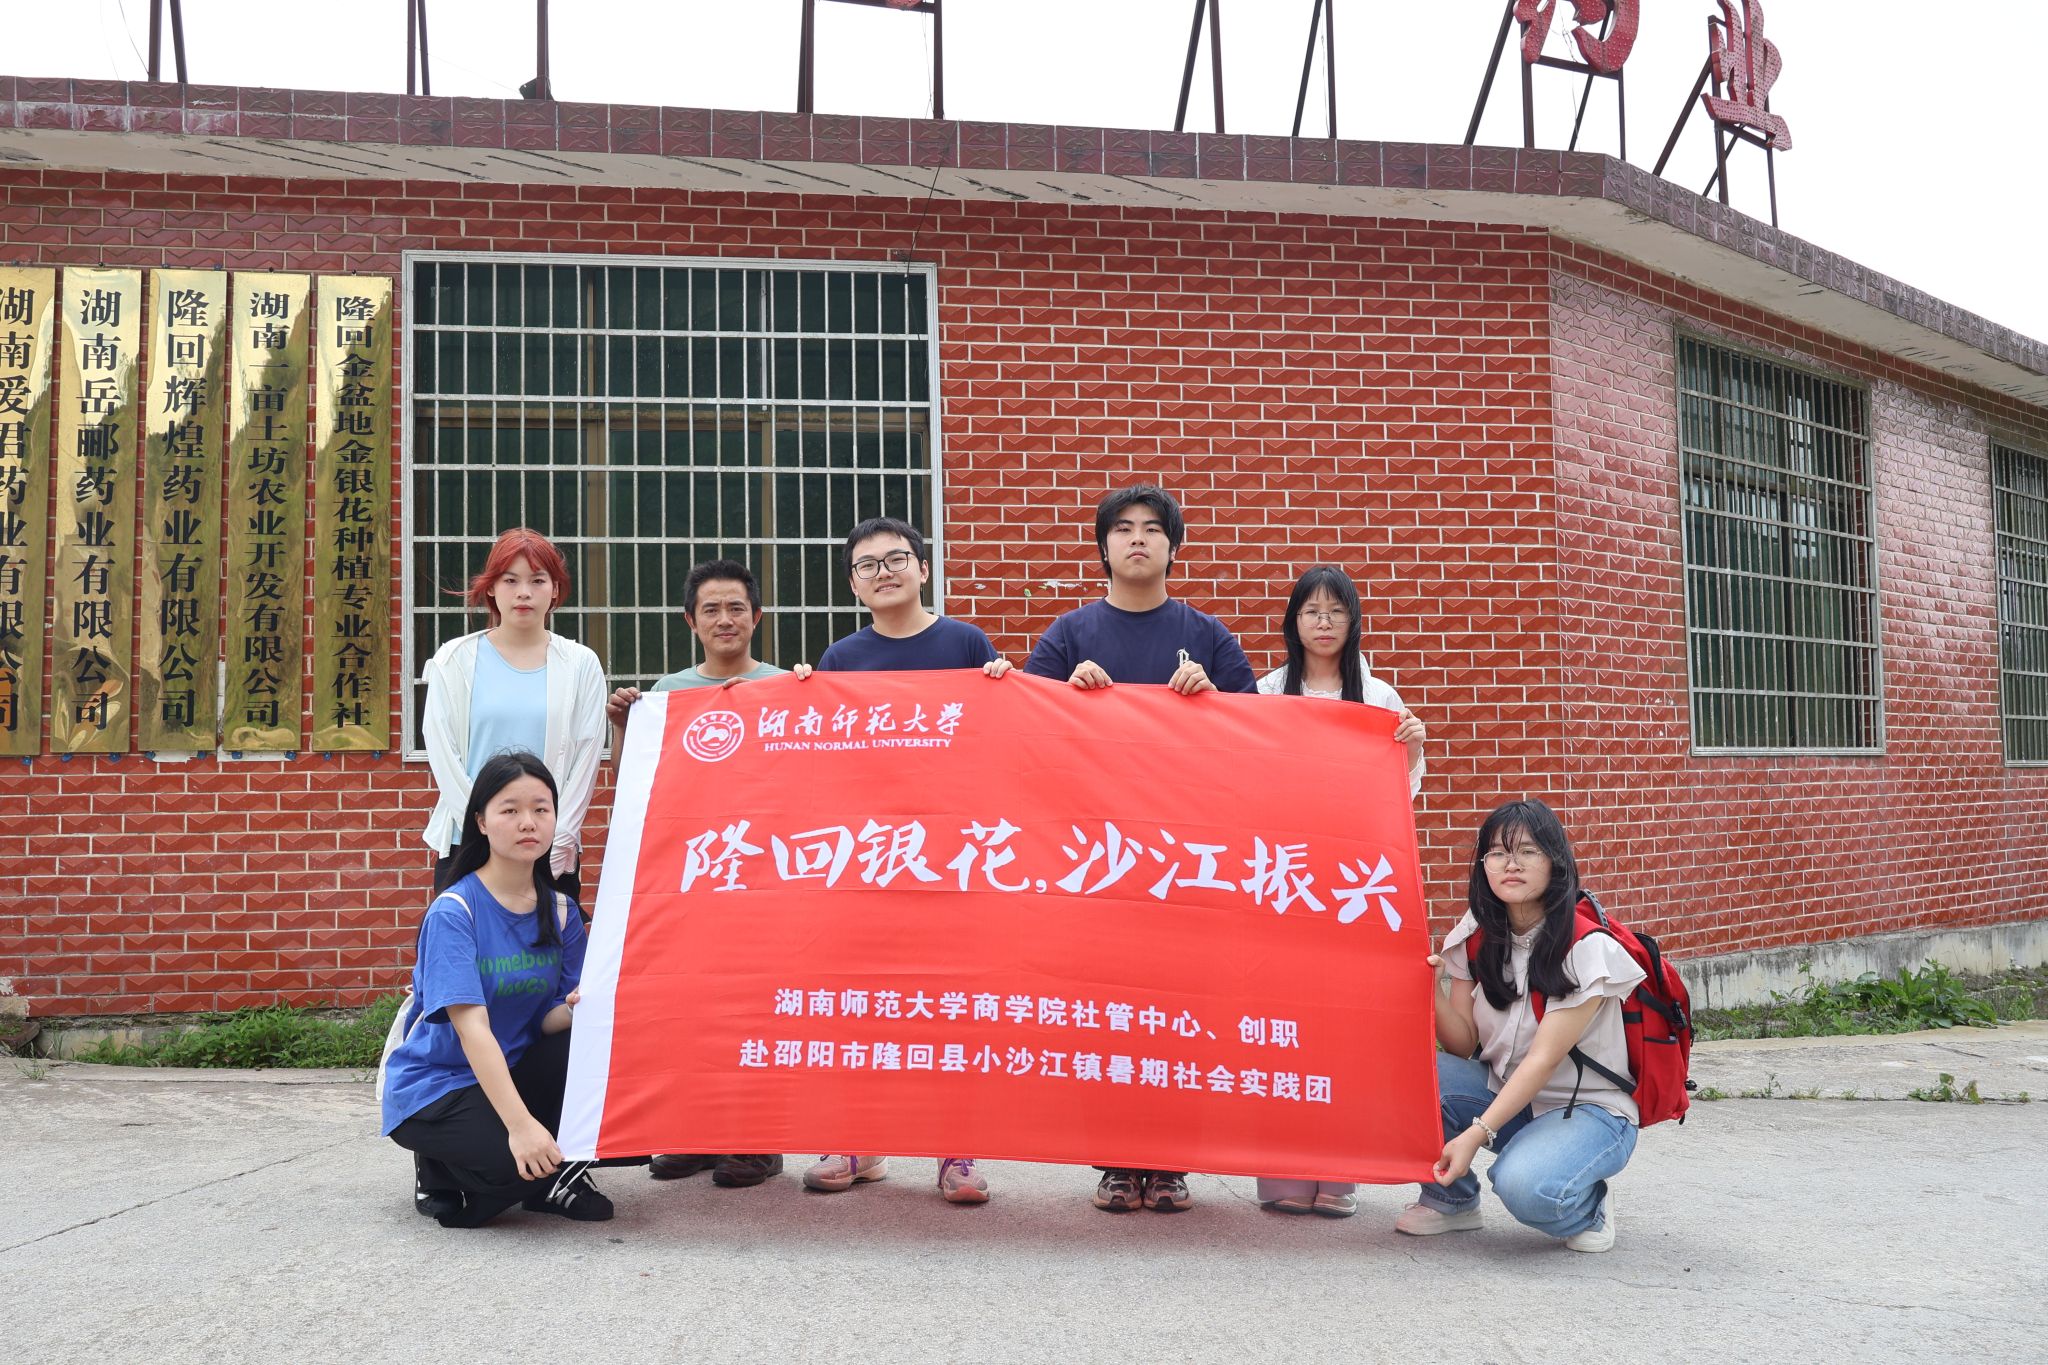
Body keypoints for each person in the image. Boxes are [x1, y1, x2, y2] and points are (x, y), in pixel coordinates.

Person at [1022, 481, 1255, 1214]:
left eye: (1152, 528)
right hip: (1097, 860)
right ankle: (1117, 1162)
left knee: (1179, 1012)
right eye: (1122, 528)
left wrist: (1213, 698)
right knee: (1108, 1012)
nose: (1137, 539)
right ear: (1103, 547)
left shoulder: (1208, 636)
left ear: (1172, 547)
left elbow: (1258, 736)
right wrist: (1066, 694)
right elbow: (1025, 728)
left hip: (1185, 858)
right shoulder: (1069, 634)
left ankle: (1172, 1161)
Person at [795, 516, 1012, 1205]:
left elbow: (1000, 741)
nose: (883, 572)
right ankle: (855, 1140)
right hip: (870, 855)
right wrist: (799, 696)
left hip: (951, 854)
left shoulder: (966, 643)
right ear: (853, 585)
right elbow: (822, 757)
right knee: (862, 1000)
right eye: (867, 565)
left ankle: (956, 1151)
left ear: (923, 568)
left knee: (950, 1003)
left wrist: (1005, 684)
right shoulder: (839, 659)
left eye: (896, 559)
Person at [604, 558, 787, 1192]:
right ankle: (693, 1129)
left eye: (736, 607)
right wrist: (624, 726)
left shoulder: (788, 687)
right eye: (711, 609)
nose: (724, 619)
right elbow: (637, 783)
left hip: (766, 874)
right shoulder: (668, 692)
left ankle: (756, 1140)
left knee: (758, 1006)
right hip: (695, 874)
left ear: (757, 617)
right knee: (692, 1005)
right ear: (691, 621)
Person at [1254, 564, 1427, 1218]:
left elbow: (1399, 795)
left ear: (1353, 622)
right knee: (1279, 1021)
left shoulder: (1377, 696)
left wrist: (1412, 748)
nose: (1323, 623)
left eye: (1335, 611)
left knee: (1341, 1023)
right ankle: (1282, 1169)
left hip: (1350, 886)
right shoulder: (1267, 691)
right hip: (1282, 877)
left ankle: (1338, 1170)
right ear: (1293, 622)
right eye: (1311, 611)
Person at [1395, 798, 1642, 1253]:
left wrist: (1475, 1135)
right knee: (1407, 1074)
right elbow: (1461, 1044)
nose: (1511, 864)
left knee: (1526, 1188)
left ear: (1555, 862)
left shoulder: (1585, 947)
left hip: (1586, 1110)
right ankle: (1451, 1200)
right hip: (1507, 1094)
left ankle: (1589, 1203)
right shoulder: (1476, 935)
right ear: (1483, 866)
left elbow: (1543, 1061)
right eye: (1497, 853)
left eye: (1528, 851)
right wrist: (1431, 990)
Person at [381, 752, 613, 1228]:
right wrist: (522, 1127)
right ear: (482, 822)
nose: (528, 822)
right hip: (439, 1085)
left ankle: (541, 1173)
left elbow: (547, 1021)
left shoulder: (562, 912)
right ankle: (441, 1167)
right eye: (510, 810)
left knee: (601, 1068)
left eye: (541, 809)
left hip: (514, 1070)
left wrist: (577, 1009)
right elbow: (473, 1030)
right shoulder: (455, 912)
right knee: (515, 1168)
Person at [422, 528, 606, 904]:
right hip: (468, 845)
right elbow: (444, 755)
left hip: (548, 850)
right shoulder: (454, 661)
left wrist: (560, 839)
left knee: (550, 941)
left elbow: (586, 761)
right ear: (491, 588)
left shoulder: (581, 664)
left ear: (555, 589)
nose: (524, 592)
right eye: (510, 580)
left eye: (537, 580)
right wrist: (485, 830)